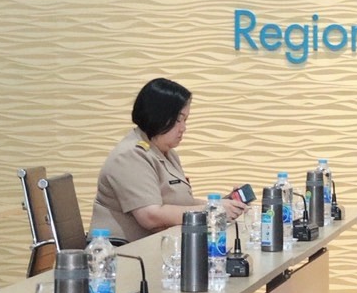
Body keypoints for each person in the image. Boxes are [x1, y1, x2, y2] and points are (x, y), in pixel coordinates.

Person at [91, 77, 247, 242]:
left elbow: (182, 204)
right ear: (158, 114)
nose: (183, 128)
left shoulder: (167, 153)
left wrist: (222, 204)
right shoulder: (130, 155)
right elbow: (150, 216)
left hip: (159, 245)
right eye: (178, 120)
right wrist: (212, 211)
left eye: (185, 120)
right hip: (122, 251)